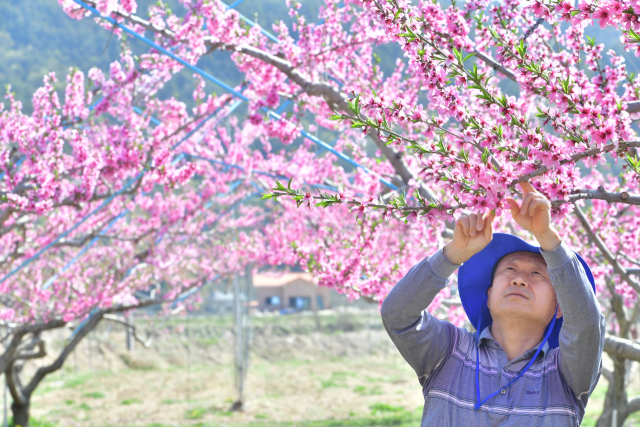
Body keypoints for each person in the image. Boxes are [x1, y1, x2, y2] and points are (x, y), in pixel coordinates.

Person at [381, 182, 605, 426]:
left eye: (537, 274)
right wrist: (455, 252)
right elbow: (397, 315)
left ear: (561, 306)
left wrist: (547, 237)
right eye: (510, 269)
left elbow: (587, 326)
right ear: (488, 295)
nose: (519, 279)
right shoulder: (449, 351)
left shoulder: (566, 374)